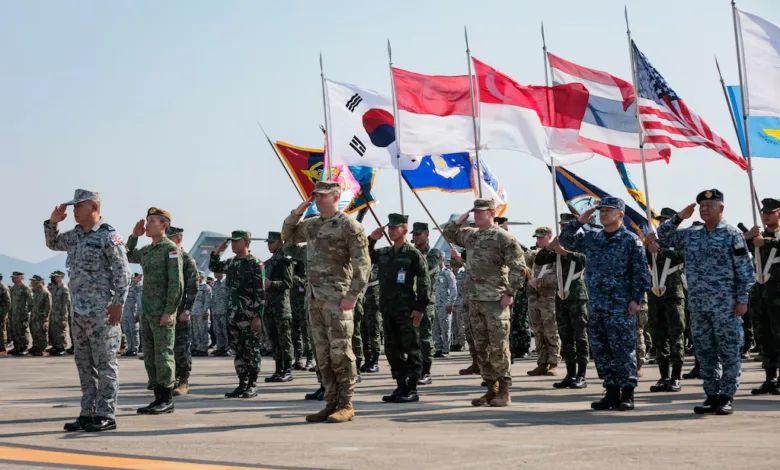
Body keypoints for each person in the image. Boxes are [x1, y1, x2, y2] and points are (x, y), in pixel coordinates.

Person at [655, 189, 754, 415]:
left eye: (710, 206)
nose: (705, 209)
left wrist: (742, 300)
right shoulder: (692, 234)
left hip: (725, 305)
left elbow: (744, 271)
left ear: (721, 208)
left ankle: (726, 396)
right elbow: (663, 236)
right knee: (705, 353)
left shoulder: (732, 234)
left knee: (729, 353)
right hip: (699, 305)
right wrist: (679, 217)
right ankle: (711, 395)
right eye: (702, 206)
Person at [282, 180, 370, 423]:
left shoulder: (349, 225)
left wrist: (352, 295)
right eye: (315, 195)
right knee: (322, 354)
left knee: (341, 352)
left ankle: (346, 404)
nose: (317, 199)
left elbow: (363, 264)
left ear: (335, 197)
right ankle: (330, 402)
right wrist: (299, 211)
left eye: (322, 195)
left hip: (337, 298)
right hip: (315, 298)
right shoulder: (312, 224)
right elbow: (288, 235)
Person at [44, 189, 131, 432]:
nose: (74, 211)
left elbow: (122, 271)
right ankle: (88, 412)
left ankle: (106, 413)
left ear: (94, 207)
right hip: (79, 313)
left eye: (78, 206)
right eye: (73, 207)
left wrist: (118, 303)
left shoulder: (108, 236)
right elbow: (52, 243)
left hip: (102, 313)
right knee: (84, 365)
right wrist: (52, 222)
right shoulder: (75, 236)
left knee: (105, 364)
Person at [559, 197, 650, 411]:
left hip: (621, 305)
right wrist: (579, 221)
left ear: (621, 215)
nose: (603, 214)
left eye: (609, 210)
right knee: (601, 350)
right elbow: (566, 240)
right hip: (597, 304)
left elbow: (640, 271)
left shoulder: (630, 240)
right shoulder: (593, 238)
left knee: (623, 349)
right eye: (601, 211)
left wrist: (637, 299)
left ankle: (627, 393)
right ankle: (610, 392)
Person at [443, 199, 526, 407]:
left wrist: (510, 292)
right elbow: (448, 234)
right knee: (481, 348)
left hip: (495, 301)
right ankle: (491, 389)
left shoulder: (503, 237)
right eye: (474, 212)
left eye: (480, 212)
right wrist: (460, 219)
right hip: (475, 299)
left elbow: (519, 267)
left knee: (499, 347)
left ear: (491, 213)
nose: (476, 215)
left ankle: (504, 391)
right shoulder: (471, 235)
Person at [125, 208, 184, 415]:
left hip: (162, 312)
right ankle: (158, 397)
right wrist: (134, 236)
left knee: (163, 355)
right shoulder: (147, 251)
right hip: (148, 311)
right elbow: (127, 255)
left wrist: (170, 311)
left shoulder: (171, 249)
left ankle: (167, 399)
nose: (147, 225)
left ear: (164, 225)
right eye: (147, 221)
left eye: (152, 221)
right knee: (149, 356)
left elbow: (176, 283)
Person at [369, 214, 429, 403]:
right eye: (389, 228)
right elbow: (365, 256)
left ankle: (412, 388)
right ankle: (401, 385)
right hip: (388, 309)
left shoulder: (413, 254)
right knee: (391, 349)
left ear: (404, 230)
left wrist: (420, 307)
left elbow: (424, 281)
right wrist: (372, 239)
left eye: (395, 228)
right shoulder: (385, 253)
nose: (391, 231)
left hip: (407, 310)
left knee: (411, 348)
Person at [210, 230, 265, 399]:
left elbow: (260, 292)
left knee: (251, 349)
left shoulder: (255, 263)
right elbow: (214, 267)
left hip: (249, 315)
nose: (233, 244)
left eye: (237, 241)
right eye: (232, 241)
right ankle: (242, 383)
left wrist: (258, 316)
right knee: (238, 350)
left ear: (246, 243)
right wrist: (217, 252)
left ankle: (252, 384)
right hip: (233, 314)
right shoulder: (231, 263)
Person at [537, 213, 589, 389]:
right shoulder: (559, 244)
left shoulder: (582, 241)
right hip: (561, 295)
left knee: (580, 336)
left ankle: (582, 374)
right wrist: (550, 247)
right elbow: (540, 260)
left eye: (567, 225)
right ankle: (570, 373)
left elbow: (586, 260)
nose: (564, 228)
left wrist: (565, 253)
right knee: (565, 336)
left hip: (577, 295)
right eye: (562, 226)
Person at [644, 208, 687, 393]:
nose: (662, 224)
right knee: (658, 335)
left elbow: (685, 256)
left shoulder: (681, 240)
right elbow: (644, 261)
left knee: (676, 335)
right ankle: (663, 376)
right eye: (661, 221)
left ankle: (676, 376)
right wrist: (647, 246)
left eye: (666, 221)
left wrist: (662, 251)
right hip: (655, 293)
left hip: (673, 293)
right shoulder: (655, 242)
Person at [743, 198, 780, 396]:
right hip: (760, 294)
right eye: (764, 212)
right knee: (764, 336)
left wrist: (767, 242)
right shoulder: (758, 236)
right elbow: (735, 250)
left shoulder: (772, 238)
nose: (766, 216)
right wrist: (747, 237)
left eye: (770, 212)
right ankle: (770, 378)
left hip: (777, 294)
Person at [166, 226, 200, 397]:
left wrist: (187, 310)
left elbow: (193, 288)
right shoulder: (166, 259)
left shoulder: (186, 260)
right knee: (167, 347)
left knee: (181, 346)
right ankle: (170, 379)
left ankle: (183, 381)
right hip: (166, 311)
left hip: (180, 312)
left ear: (178, 239)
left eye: (169, 238)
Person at [525, 226, 561, 376]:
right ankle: (542, 362)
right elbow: (522, 261)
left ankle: (553, 363)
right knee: (538, 332)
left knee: (551, 331)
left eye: (541, 237)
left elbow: (558, 276)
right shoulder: (534, 254)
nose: (538, 240)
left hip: (549, 298)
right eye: (537, 237)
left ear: (550, 236)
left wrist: (539, 281)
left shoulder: (557, 254)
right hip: (534, 298)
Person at [411, 222, 441, 385]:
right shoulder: (411, 253)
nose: (415, 237)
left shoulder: (434, 253)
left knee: (424, 338)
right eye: (414, 235)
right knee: (411, 339)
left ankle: (426, 371)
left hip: (425, 303)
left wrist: (410, 255)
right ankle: (414, 369)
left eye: (418, 234)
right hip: (410, 302)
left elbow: (425, 267)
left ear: (427, 234)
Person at [263, 231, 295, 383]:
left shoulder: (285, 261)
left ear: (280, 243)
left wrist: (273, 284)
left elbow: (288, 283)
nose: (269, 245)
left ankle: (287, 370)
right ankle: (278, 369)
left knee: (284, 339)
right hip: (270, 306)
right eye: (268, 243)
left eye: (272, 242)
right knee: (274, 339)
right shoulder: (268, 263)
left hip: (282, 306)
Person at [285, 241, 313, 370]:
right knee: (295, 332)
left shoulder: (306, 261)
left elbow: (306, 280)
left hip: (304, 302)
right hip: (292, 300)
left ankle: (310, 359)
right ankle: (298, 359)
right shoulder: (290, 262)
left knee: (306, 331)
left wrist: (294, 278)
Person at [433, 254, 457, 357]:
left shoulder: (448, 273)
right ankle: (438, 349)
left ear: (442, 259)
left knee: (445, 328)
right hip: (434, 304)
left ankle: (445, 350)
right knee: (435, 328)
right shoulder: (433, 273)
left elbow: (453, 289)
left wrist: (450, 303)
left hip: (444, 305)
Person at [361, 264, 382, 373]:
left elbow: (370, 276)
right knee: (363, 331)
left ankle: (375, 361)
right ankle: (368, 359)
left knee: (374, 330)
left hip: (373, 300)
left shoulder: (376, 263)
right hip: (361, 298)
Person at [9, 272, 32, 356]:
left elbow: (31, 301)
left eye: (16, 277)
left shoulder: (25, 288)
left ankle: (24, 348)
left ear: (21, 278)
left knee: (23, 330)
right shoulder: (12, 289)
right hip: (14, 313)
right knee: (15, 330)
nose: (13, 279)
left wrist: (26, 311)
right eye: (13, 277)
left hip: (22, 313)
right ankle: (17, 347)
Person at [49, 271, 71, 356]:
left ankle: (62, 347)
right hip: (54, 313)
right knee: (54, 331)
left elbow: (67, 302)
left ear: (62, 277)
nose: (56, 278)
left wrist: (64, 314)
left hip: (61, 313)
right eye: (55, 277)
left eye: (58, 276)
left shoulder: (64, 288)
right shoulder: (54, 287)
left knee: (61, 331)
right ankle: (56, 346)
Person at [29, 275, 52, 356]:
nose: (33, 283)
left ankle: (42, 349)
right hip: (34, 315)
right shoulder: (34, 292)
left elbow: (48, 306)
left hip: (41, 316)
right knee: (34, 332)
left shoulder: (45, 292)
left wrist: (46, 316)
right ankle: (36, 346)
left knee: (41, 333)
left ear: (40, 282)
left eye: (35, 282)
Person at [210, 268, 230, 357]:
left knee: (226, 331)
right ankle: (220, 348)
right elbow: (213, 297)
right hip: (216, 311)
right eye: (215, 273)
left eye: (218, 272)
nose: (216, 275)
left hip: (225, 311)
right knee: (217, 331)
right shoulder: (215, 283)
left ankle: (228, 348)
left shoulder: (227, 282)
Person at [191, 272, 213, 358]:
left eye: (197, 276)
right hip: (194, 312)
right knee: (195, 332)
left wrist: (205, 311)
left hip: (201, 313)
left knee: (203, 331)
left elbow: (208, 300)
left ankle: (203, 349)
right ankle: (197, 347)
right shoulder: (194, 287)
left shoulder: (206, 287)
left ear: (202, 277)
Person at [449, 250, 467, 353]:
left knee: (461, 324)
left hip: (461, 302)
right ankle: (455, 343)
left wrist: (460, 259)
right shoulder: (451, 273)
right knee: (454, 324)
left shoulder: (464, 272)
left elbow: (469, 269)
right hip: (453, 302)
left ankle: (461, 343)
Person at [121, 274, 143, 357]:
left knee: (134, 331)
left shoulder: (137, 287)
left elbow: (139, 301)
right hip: (124, 313)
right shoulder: (126, 287)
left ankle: (135, 349)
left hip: (132, 312)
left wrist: (138, 313)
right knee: (127, 331)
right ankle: (129, 348)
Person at [0, 273, 10, 356]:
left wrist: (3, 315)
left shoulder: (3, 288)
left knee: (1, 332)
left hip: (1, 313)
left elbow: (7, 303)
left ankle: (2, 349)